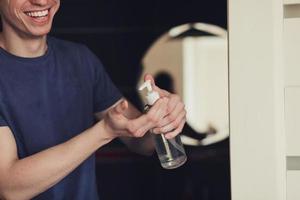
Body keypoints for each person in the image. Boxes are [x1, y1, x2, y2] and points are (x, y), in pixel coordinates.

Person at [0, 0, 186, 199]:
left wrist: (160, 118)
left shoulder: (79, 59)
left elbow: (139, 142)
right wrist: (104, 131)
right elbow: (9, 187)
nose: (42, 1)